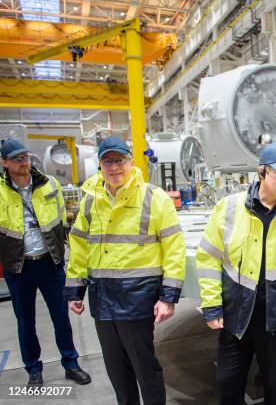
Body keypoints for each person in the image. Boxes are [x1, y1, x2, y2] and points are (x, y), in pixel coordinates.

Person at [197, 142, 276, 405]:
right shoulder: (229, 208)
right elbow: (209, 257)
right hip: (238, 316)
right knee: (228, 384)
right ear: (262, 172)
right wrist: (211, 305)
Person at [64, 136, 186, 405]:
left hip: (138, 299)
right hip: (103, 300)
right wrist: (75, 290)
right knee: (117, 371)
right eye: (108, 161)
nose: (114, 167)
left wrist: (168, 296)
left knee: (145, 368)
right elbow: (79, 247)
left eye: (119, 160)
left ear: (131, 162)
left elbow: (174, 249)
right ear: (100, 165)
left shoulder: (154, 198)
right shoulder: (90, 201)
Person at [0, 139, 90, 386]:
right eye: (17, 159)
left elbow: (62, 218)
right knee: (26, 322)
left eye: (26, 158)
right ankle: (33, 370)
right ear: (5, 163)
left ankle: (71, 363)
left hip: (50, 263)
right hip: (18, 267)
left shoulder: (49, 183)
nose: (24, 163)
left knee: (61, 317)